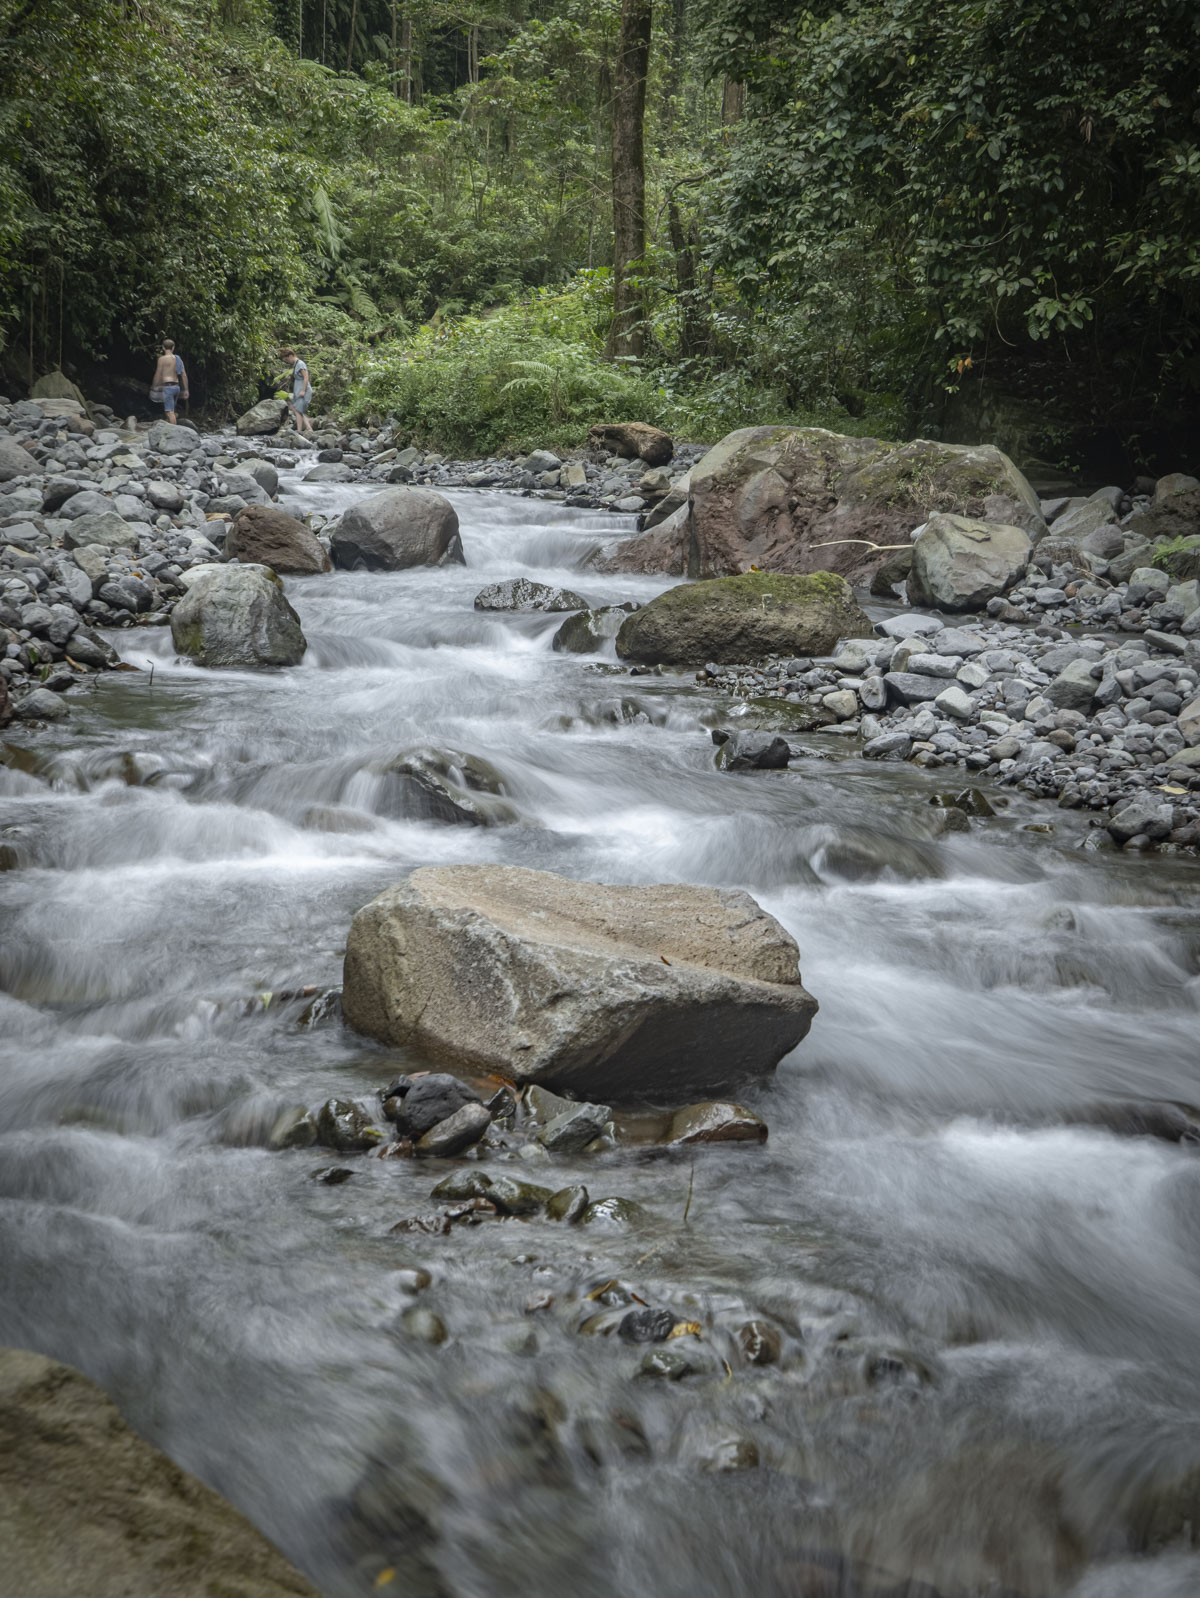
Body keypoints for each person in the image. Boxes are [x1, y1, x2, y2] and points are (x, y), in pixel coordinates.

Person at [279, 347, 314, 436]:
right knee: (298, 410)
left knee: (298, 410)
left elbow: (306, 377)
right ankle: (308, 428)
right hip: (298, 390)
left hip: (303, 390)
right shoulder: (296, 364)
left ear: (291, 356)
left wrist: (303, 390)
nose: (287, 362)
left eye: (287, 359)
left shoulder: (300, 364)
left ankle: (299, 430)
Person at [151, 340, 188, 425]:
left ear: (163, 347)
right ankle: (171, 427)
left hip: (168, 387)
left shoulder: (162, 359)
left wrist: (154, 386)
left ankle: (173, 432)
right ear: (173, 348)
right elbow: (184, 375)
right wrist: (186, 390)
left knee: (169, 412)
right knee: (171, 410)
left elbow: (158, 374)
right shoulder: (178, 359)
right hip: (176, 387)